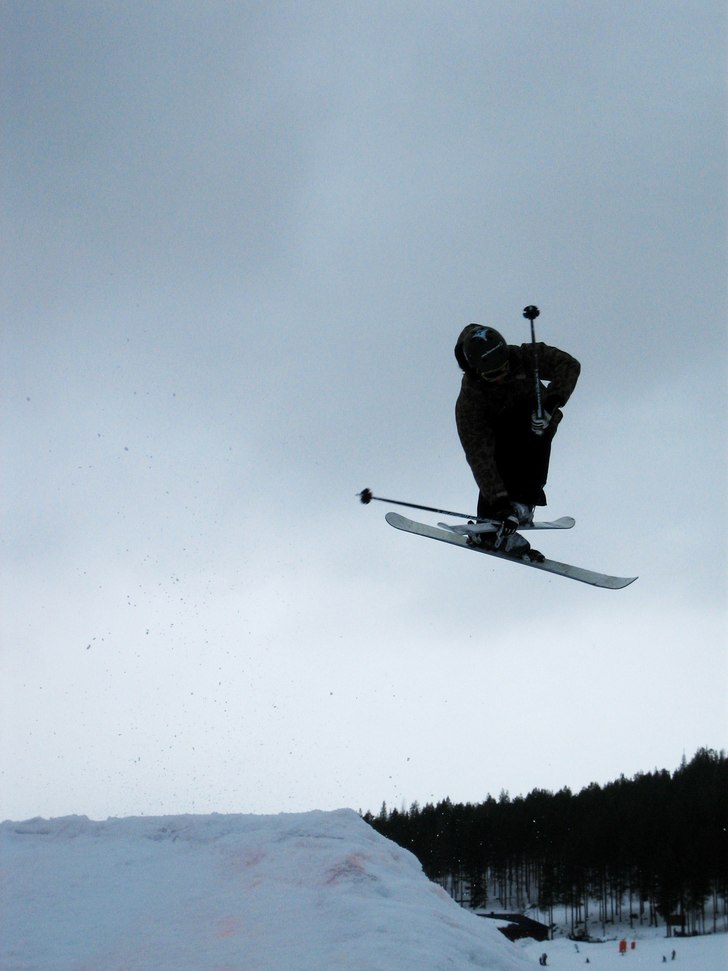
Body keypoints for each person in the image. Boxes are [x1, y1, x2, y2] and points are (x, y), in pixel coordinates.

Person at [454, 322, 580, 559]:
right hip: (501, 439)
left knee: (536, 432)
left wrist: (552, 403)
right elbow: (480, 458)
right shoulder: (470, 404)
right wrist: (500, 504)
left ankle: (523, 503)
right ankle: (493, 520)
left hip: (537, 420)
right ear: (475, 371)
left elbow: (568, 365)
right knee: (501, 451)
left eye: (505, 368)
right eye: (493, 374)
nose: (501, 376)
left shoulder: (522, 356)